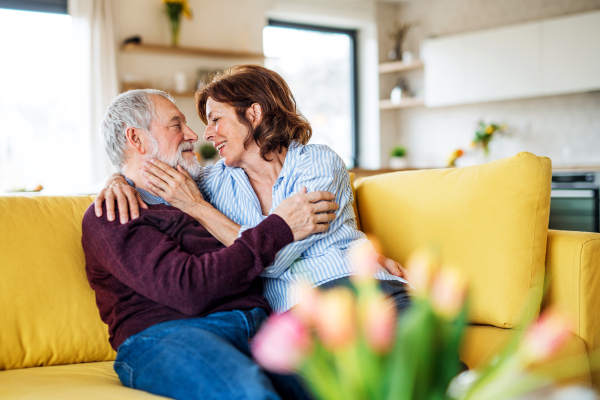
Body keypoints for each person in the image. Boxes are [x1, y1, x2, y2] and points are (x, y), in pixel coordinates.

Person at [83, 89, 340, 399]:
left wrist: (360, 255)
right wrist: (280, 227)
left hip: (255, 327)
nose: (193, 134)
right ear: (136, 139)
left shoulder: (200, 194)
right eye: (176, 125)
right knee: (249, 393)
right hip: (170, 336)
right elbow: (187, 289)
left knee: (346, 386)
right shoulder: (114, 213)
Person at [97, 65, 412, 314]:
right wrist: (116, 180)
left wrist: (197, 208)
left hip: (365, 289)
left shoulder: (317, 162)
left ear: (254, 114)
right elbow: (150, 181)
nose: (206, 134)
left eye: (216, 119)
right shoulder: (211, 182)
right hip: (297, 315)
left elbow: (273, 258)